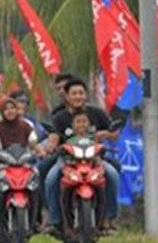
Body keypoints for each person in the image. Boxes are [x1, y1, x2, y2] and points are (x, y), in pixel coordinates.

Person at [42, 77, 121, 236]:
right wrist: (52, 143)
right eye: (74, 93)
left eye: (80, 93)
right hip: (67, 160)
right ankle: (54, 220)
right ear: (67, 96)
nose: (77, 96)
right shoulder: (59, 117)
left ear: (86, 95)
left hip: (95, 160)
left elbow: (114, 132)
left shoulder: (97, 113)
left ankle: (108, 219)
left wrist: (107, 134)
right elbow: (53, 136)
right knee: (51, 178)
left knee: (112, 174)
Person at [0, 96, 44, 238]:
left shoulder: (26, 125)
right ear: (1, 111)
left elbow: (34, 143)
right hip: (1, 166)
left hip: (24, 165)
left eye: (13, 108)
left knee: (36, 184)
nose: (10, 111)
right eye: (6, 109)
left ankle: (37, 220)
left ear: (17, 109)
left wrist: (40, 151)